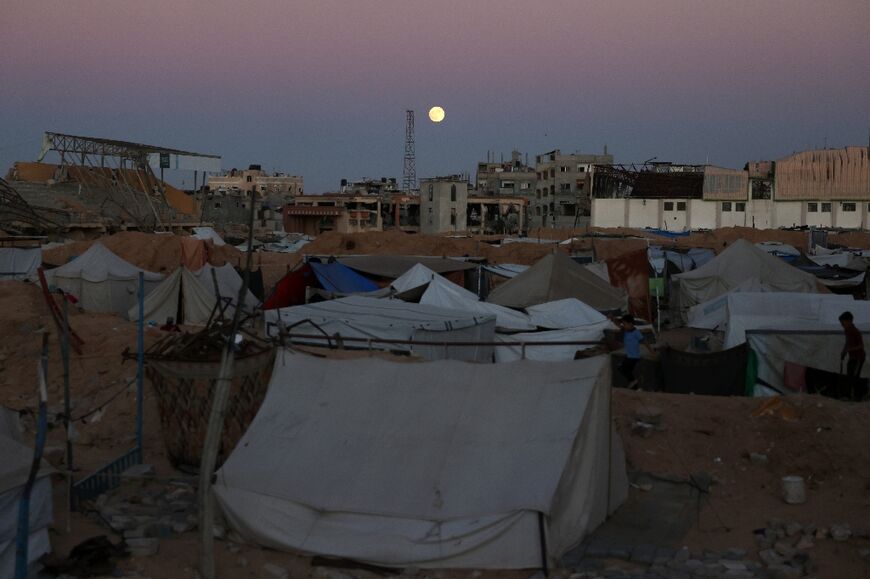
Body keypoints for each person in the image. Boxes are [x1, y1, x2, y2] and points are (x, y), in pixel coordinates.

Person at [618, 314, 654, 389]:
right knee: (626, 370)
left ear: (630, 324)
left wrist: (652, 351)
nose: (623, 326)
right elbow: (618, 326)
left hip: (633, 357)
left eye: (625, 324)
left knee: (623, 368)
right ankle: (635, 388)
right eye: (623, 324)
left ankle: (633, 381)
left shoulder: (636, 332)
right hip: (629, 355)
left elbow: (645, 342)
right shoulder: (626, 331)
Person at [839, 311, 864, 397]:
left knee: (855, 377)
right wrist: (844, 351)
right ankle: (848, 395)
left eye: (843, 322)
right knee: (849, 376)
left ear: (849, 321)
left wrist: (848, 349)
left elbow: (861, 346)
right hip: (852, 357)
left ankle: (857, 396)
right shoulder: (847, 330)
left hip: (858, 357)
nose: (842, 324)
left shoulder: (855, 331)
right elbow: (848, 342)